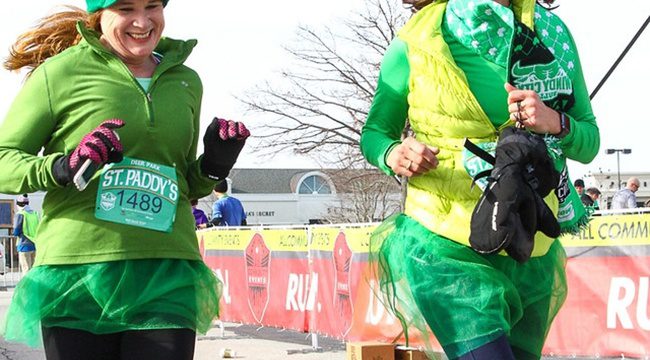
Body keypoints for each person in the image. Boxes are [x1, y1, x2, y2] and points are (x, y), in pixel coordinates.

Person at [0, 1, 249, 358]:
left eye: (152, 6)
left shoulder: (186, 80)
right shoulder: (59, 74)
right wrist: (62, 166)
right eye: (127, 8)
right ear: (99, 15)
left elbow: (184, 185)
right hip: (79, 271)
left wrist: (213, 165)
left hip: (166, 269)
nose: (142, 21)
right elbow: (4, 159)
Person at [360, 0, 599, 359]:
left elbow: (589, 142)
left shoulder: (552, 33)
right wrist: (393, 153)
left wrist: (555, 122)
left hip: (529, 244)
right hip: (446, 244)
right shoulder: (417, 39)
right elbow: (376, 132)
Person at [12, 194, 39, 274]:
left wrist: (14, 233)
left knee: (26, 269)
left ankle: (27, 286)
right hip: (34, 244)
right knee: (34, 270)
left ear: (18, 204)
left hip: (24, 245)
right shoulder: (35, 214)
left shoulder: (20, 214)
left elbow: (16, 230)